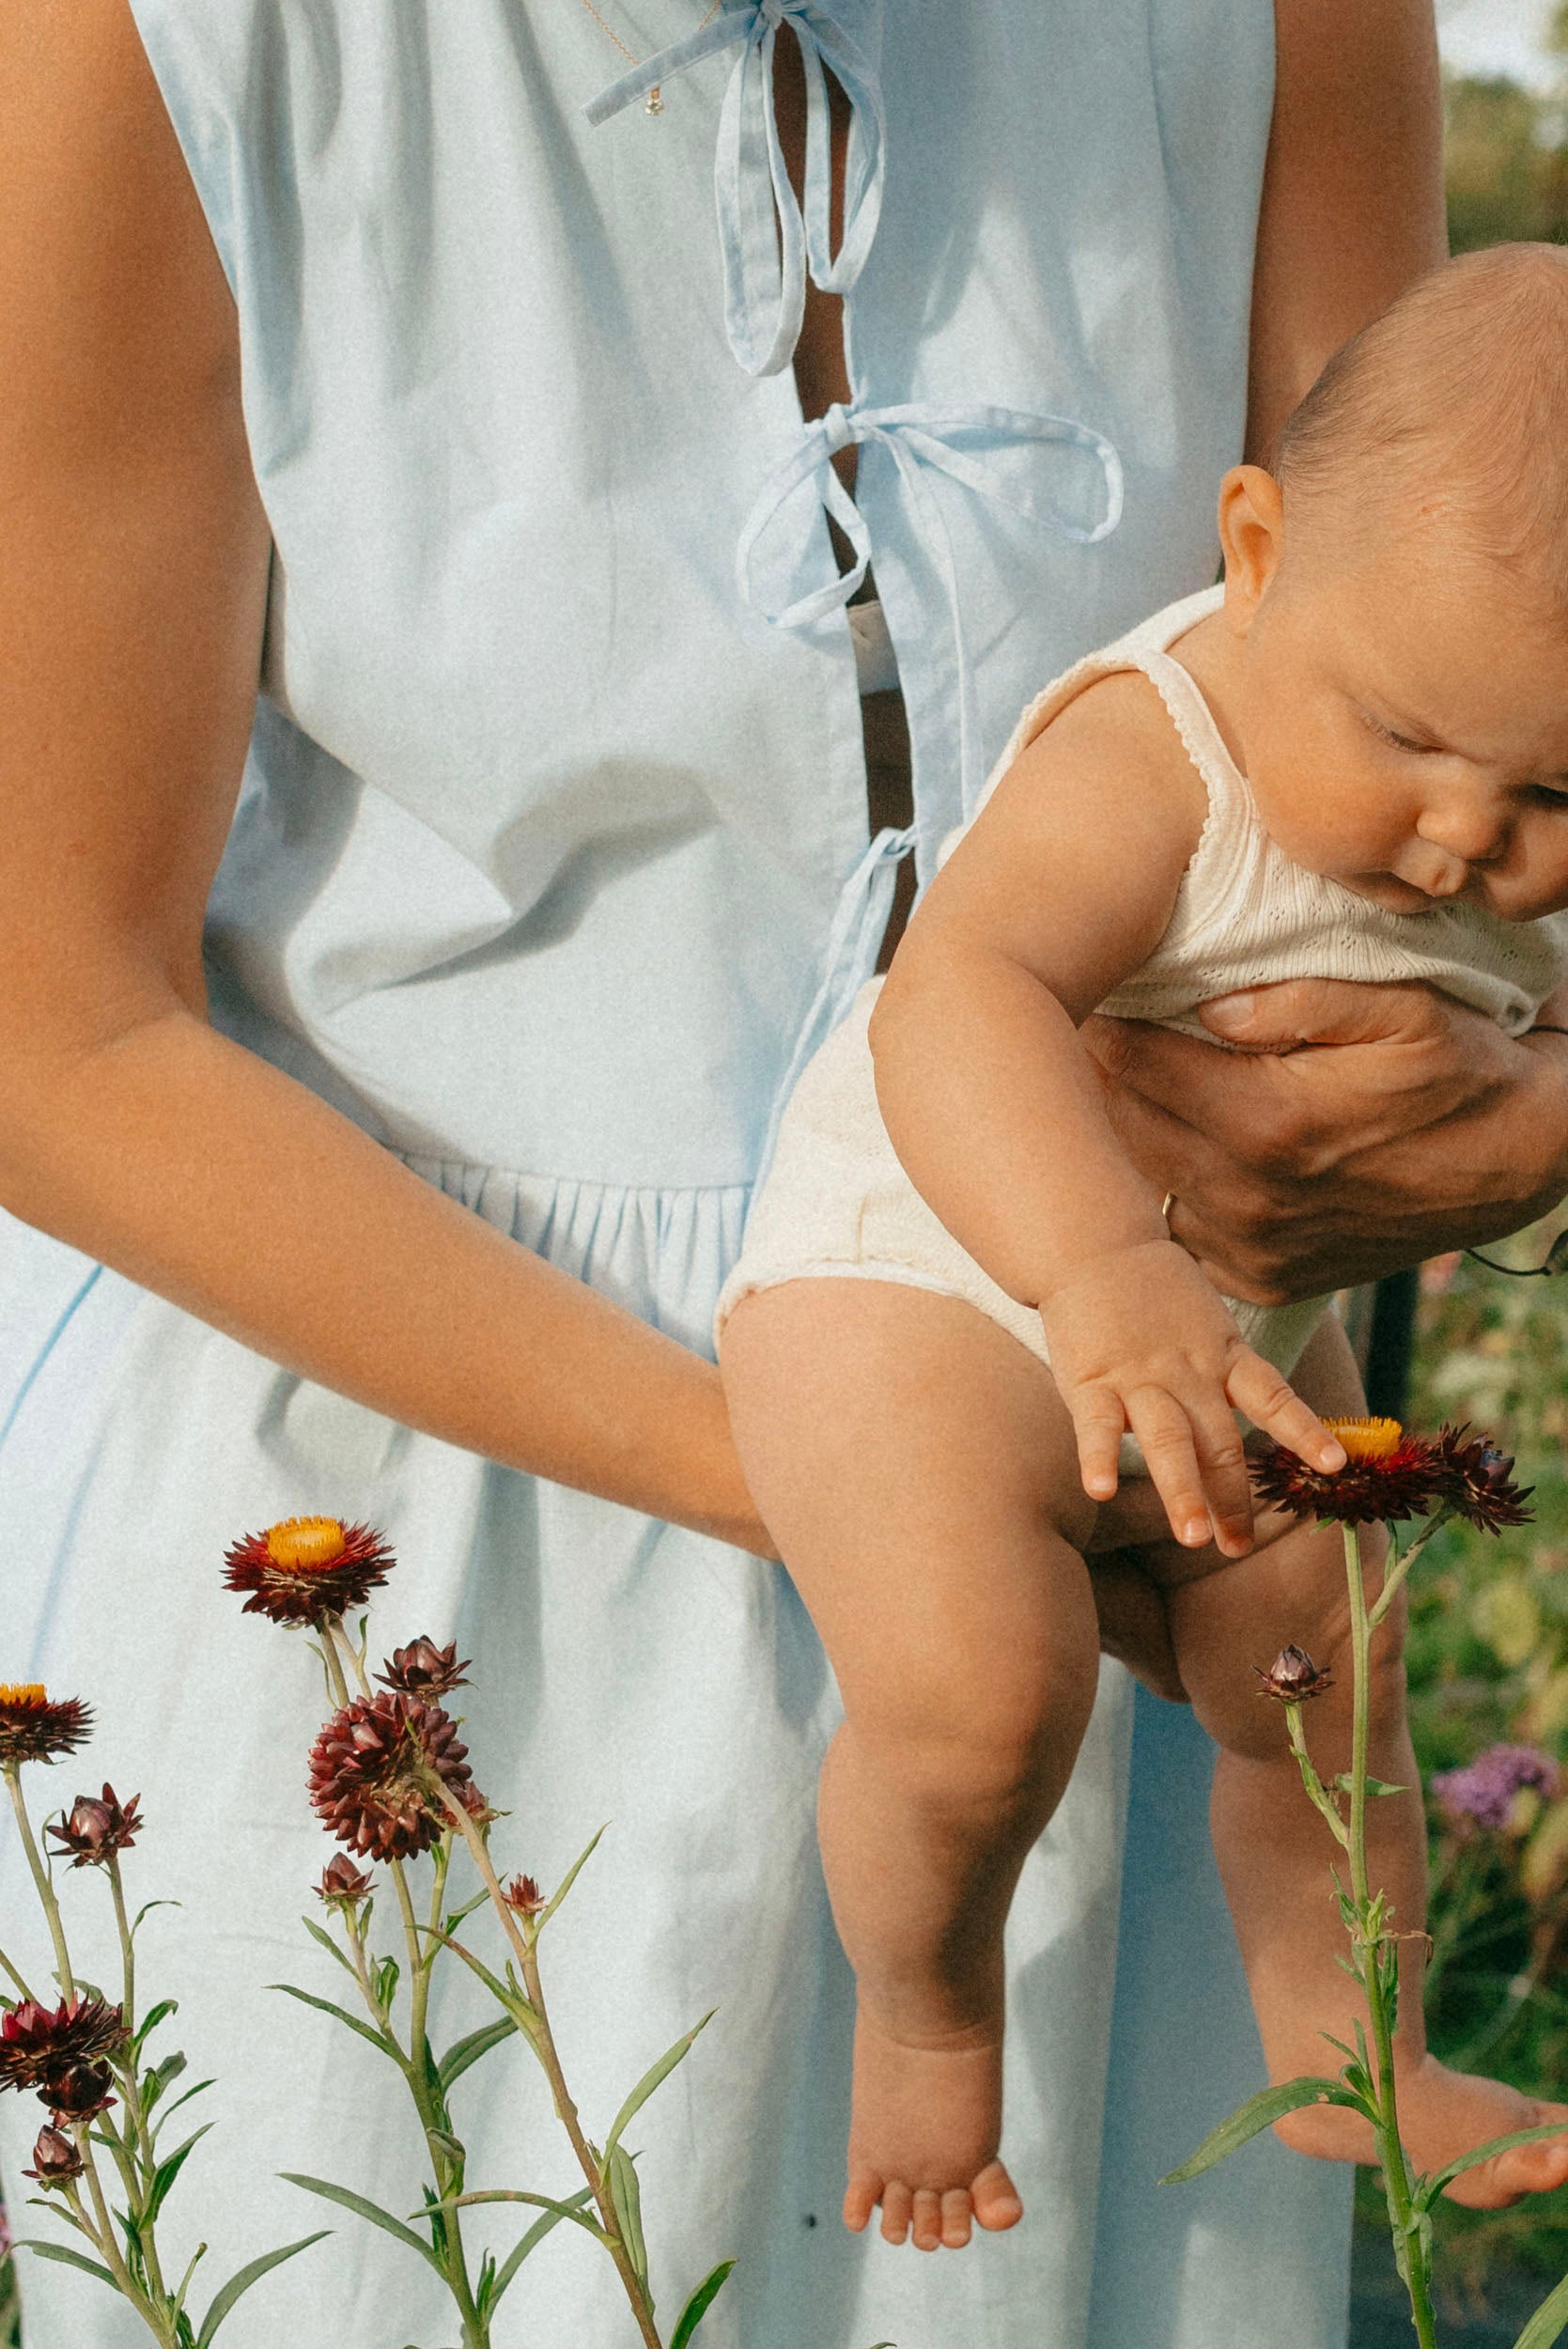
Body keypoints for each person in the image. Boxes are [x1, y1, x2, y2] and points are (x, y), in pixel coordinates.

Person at [0, 3, 1560, 2344]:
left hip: (1136, 1494)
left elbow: (1473, 723)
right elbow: (52, 1028)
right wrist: (885, 1489)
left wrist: (1505, 1130)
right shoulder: (142, 42)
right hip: (410, 1511)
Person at [719, 244, 1568, 2251]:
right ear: (1255, 554)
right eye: (1406, 738)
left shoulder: (1458, 723)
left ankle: (1357, 2041)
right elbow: (964, 992)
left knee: (1326, 1667)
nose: (1464, 837)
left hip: (1223, 1320)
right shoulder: (1161, 744)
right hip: (922, 1278)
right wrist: (1098, 1265)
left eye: (1552, 789)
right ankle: (929, 2011)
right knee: (979, 1697)